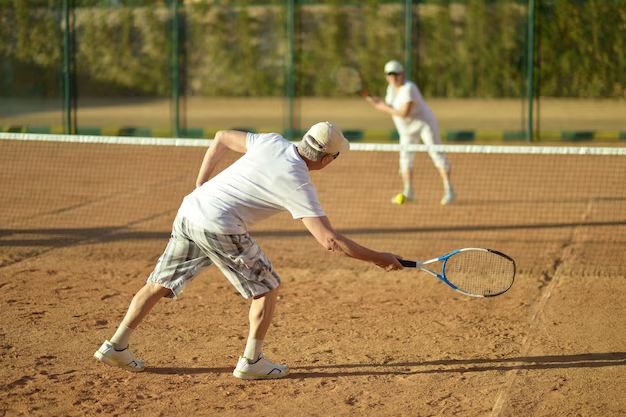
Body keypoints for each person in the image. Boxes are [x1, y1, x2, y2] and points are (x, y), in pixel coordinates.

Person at [94, 122, 404, 380]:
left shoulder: (271, 141)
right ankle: (252, 361)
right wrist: (379, 258)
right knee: (266, 287)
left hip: (191, 210)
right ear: (326, 160)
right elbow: (329, 241)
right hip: (220, 225)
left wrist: (202, 183)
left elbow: (221, 138)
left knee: (158, 283)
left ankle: (115, 345)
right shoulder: (298, 182)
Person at [366, 60, 456, 206]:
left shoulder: (409, 88)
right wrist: (378, 102)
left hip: (424, 125)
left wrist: (381, 107)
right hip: (406, 130)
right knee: (405, 160)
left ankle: (449, 190)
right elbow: (392, 106)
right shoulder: (390, 89)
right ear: (386, 77)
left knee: (436, 154)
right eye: (390, 74)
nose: (394, 77)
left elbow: (404, 112)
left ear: (402, 74)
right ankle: (409, 192)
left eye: (396, 74)